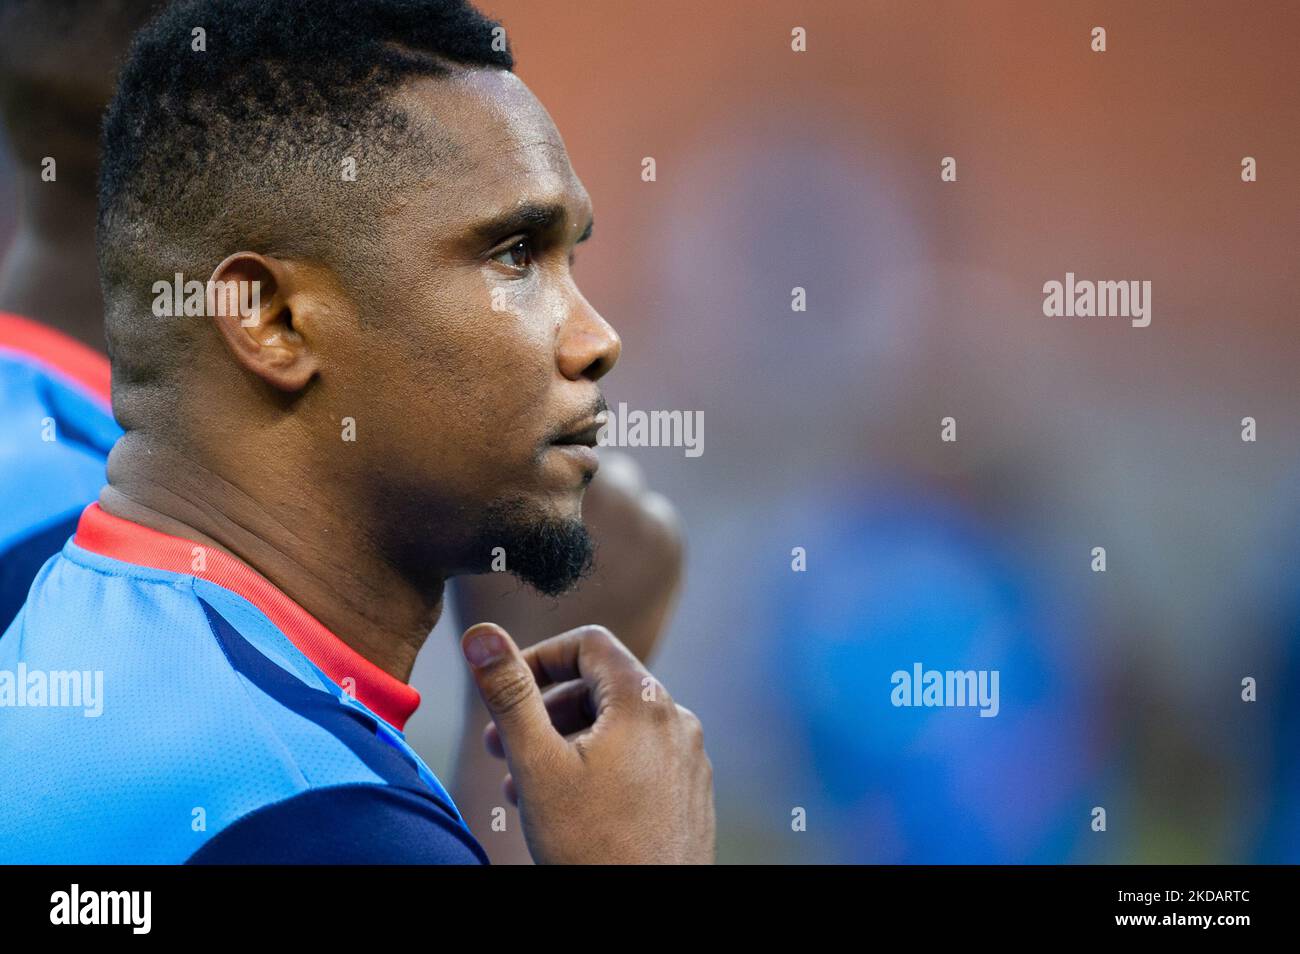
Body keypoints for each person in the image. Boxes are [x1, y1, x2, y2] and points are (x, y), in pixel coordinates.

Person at [0, 0, 712, 864]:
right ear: (272, 320)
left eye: (573, 258)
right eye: (514, 255)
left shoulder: (76, 622)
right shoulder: (313, 820)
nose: (597, 340)